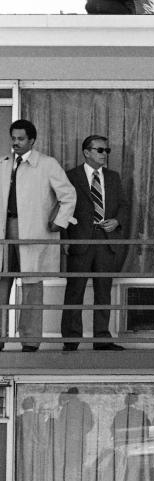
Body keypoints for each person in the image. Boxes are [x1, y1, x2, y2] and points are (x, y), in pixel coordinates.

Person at [0, 120, 77, 352]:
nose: (16, 143)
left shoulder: (47, 164)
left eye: (21, 139)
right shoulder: (3, 164)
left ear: (32, 140)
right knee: (2, 284)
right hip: (4, 231)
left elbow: (68, 196)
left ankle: (31, 341)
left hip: (33, 231)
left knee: (32, 287)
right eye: (13, 138)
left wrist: (59, 223)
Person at [61, 135, 129, 351]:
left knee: (103, 291)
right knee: (75, 291)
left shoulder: (113, 177)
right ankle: (71, 340)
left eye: (106, 150)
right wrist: (65, 238)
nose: (104, 154)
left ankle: (102, 338)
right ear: (87, 152)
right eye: (100, 150)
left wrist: (117, 221)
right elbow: (64, 207)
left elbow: (123, 206)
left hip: (105, 241)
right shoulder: (71, 176)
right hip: (80, 239)